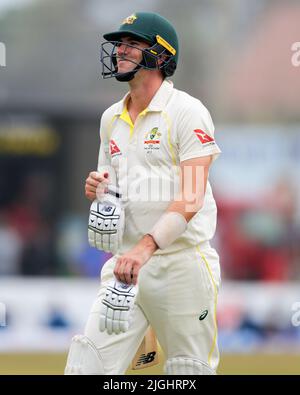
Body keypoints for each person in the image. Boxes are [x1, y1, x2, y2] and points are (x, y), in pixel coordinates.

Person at [65, 11, 221, 375]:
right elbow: (113, 188)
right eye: (119, 43)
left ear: (161, 56)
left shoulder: (187, 111)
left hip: (181, 266)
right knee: (87, 366)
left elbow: (192, 197)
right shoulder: (110, 118)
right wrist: (99, 189)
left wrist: (146, 247)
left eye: (132, 43)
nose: (120, 50)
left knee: (189, 371)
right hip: (125, 266)